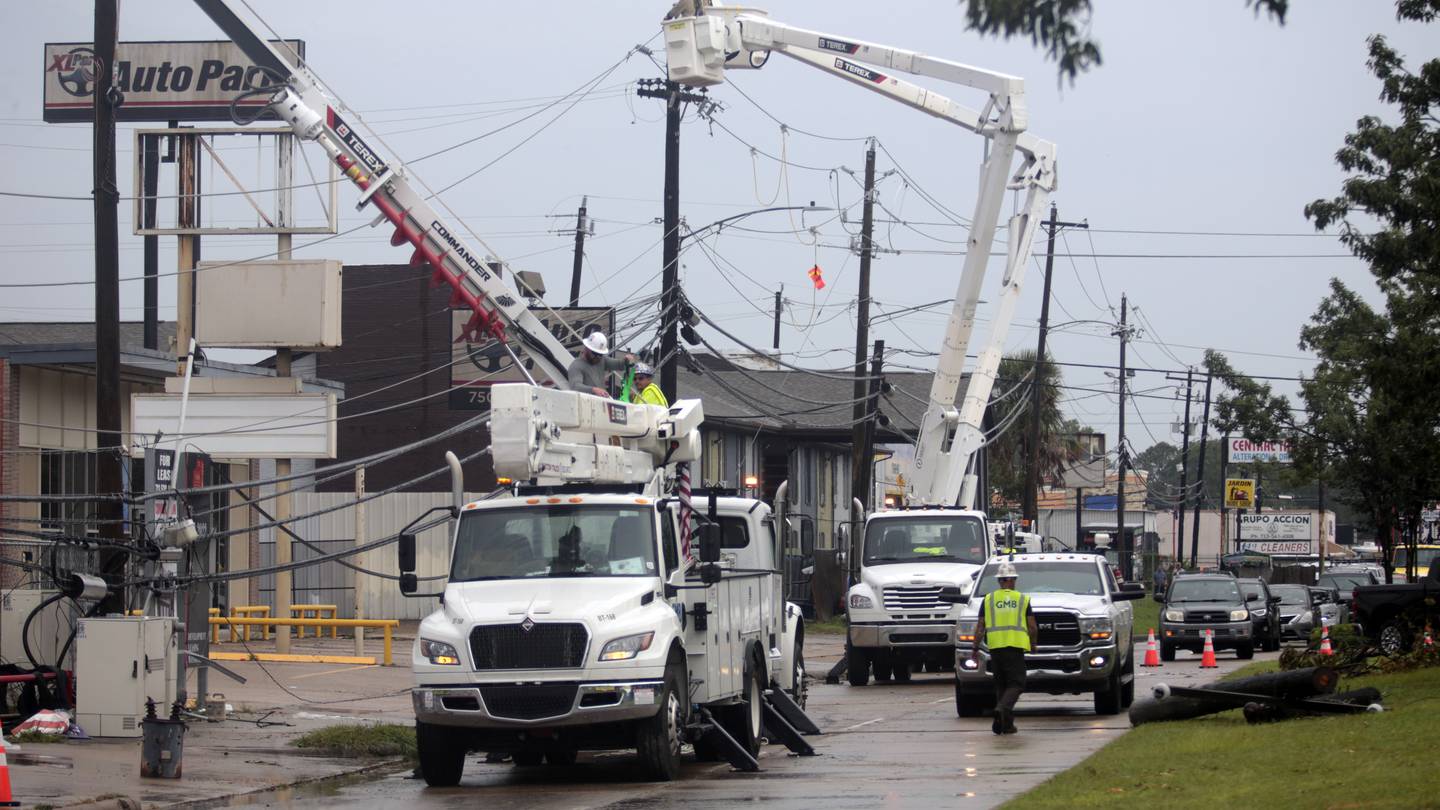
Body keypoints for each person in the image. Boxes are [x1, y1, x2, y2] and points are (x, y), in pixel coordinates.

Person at [971, 561, 1039, 735]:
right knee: (1017, 683)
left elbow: (980, 627)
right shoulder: (1021, 599)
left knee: (1001, 685)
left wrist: (975, 647)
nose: (1014, 582)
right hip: (1014, 647)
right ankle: (1001, 708)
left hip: (995, 648)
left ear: (999, 581)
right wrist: (1033, 644)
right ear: (1011, 580)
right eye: (1013, 579)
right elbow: (1032, 626)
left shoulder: (988, 599)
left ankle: (1005, 725)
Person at [566, 331, 634, 397]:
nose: (598, 357)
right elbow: (575, 386)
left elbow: (620, 365)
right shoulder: (576, 366)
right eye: (595, 353)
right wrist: (594, 390)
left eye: (600, 354)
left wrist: (626, 360)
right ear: (587, 348)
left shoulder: (602, 360)